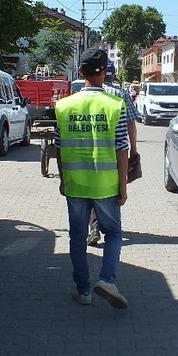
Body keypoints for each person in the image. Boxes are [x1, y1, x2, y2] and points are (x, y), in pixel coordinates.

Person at [54, 49, 130, 309]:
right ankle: (107, 279)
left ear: (80, 73)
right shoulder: (114, 104)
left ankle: (83, 290)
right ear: (104, 71)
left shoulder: (63, 106)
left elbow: (60, 147)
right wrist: (123, 186)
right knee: (113, 234)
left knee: (77, 237)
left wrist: (63, 179)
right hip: (105, 185)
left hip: (75, 183)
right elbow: (122, 148)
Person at [87, 63, 140, 246]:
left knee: (93, 187)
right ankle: (111, 225)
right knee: (116, 189)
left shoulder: (87, 94)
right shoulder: (121, 94)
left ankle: (94, 228)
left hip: (90, 149)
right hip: (116, 150)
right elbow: (131, 125)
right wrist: (133, 150)